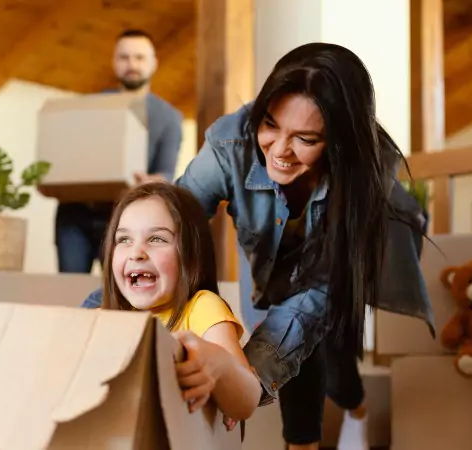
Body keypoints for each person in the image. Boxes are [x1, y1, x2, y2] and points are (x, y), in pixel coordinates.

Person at [81, 42, 434, 450]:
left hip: (343, 264)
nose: (280, 151)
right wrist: (96, 320)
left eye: (305, 138)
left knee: (331, 354)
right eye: (270, 125)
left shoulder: (370, 192)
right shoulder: (230, 143)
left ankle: (355, 411)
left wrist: (239, 379)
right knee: (279, 339)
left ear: (338, 143)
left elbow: (305, 313)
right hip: (273, 255)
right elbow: (168, 226)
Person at [100, 181, 261, 421]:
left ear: (190, 253)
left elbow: (247, 399)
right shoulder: (108, 319)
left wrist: (220, 368)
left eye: (156, 239)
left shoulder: (201, 307)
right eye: (123, 240)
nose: (136, 252)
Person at [55, 29, 183, 273]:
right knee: (71, 297)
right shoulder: (88, 107)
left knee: (120, 298)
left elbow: (165, 172)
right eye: (124, 58)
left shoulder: (169, 117)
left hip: (124, 219)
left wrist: (149, 183)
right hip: (75, 215)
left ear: (153, 64)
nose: (131, 64)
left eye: (139, 57)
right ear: (114, 62)